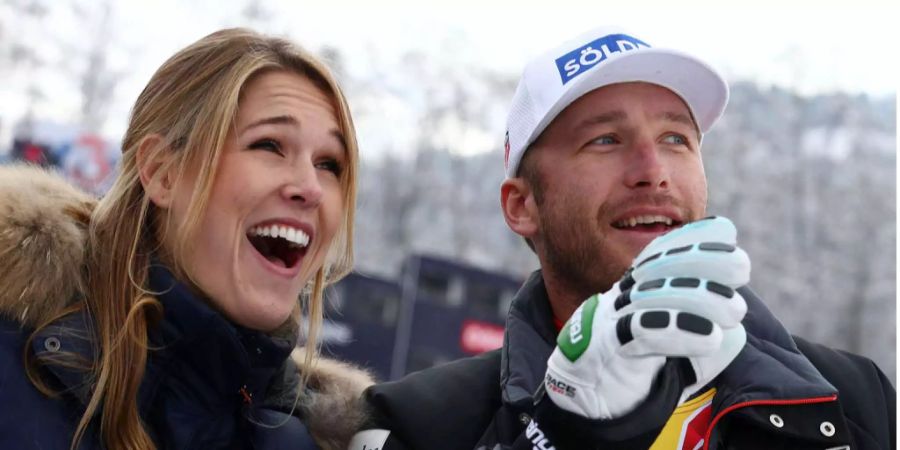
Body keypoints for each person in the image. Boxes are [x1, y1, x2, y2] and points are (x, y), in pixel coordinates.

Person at [350, 26, 896, 450]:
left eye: (676, 138)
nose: (652, 170)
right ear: (523, 205)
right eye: (606, 139)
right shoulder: (420, 422)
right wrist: (561, 433)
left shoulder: (854, 396)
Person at [0, 28, 374, 450]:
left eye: (330, 164)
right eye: (269, 145)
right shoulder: (12, 375)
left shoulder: (315, 440)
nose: (311, 188)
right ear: (162, 172)